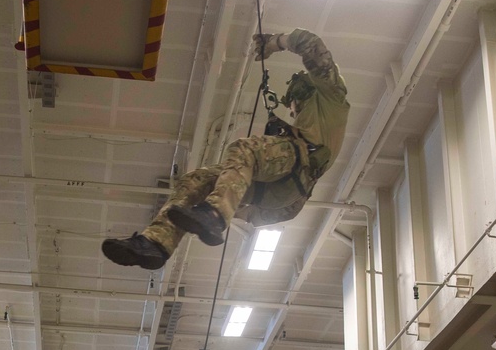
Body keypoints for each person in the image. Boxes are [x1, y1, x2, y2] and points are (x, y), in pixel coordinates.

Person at [101, 29, 349, 269]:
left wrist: (275, 42)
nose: (292, 111)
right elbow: (286, 210)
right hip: (282, 192)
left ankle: (215, 215)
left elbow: (310, 42)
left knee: (245, 148)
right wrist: (244, 210)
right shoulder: (308, 126)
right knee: (198, 179)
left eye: (293, 105)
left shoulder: (332, 96)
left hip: (296, 169)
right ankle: (156, 242)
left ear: (303, 92)